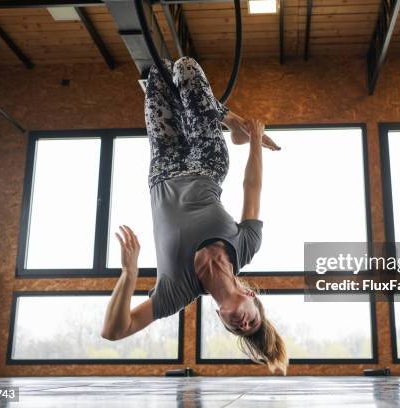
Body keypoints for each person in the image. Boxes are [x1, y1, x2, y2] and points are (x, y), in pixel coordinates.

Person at [101, 57, 288, 375]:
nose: (243, 323)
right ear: (252, 297)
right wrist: (255, 139)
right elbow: (251, 189)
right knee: (185, 67)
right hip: (208, 161)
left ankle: (231, 122)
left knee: (159, 71)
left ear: (221, 319)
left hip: (162, 166)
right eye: (252, 320)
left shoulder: (176, 292)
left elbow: (114, 331)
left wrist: (129, 274)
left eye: (240, 329)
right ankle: (233, 124)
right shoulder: (246, 247)